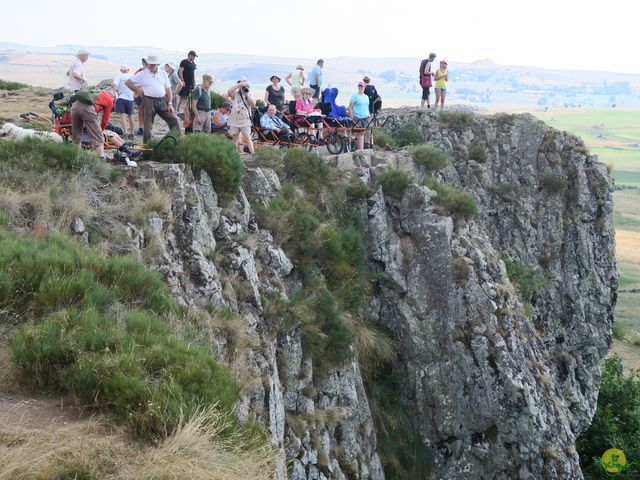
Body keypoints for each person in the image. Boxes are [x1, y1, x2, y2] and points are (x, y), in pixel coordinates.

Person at [125, 55, 180, 143]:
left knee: (174, 120)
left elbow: (168, 89)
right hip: (148, 101)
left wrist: (170, 103)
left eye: (153, 64)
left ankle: (175, 141)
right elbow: (128, 82)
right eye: (149, 64)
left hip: (162, 100)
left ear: (157, 64)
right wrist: (138, 91)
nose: (151, 66)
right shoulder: (142, 74)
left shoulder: (163, 73)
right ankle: (147, 147)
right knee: (148, 126)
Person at [70, 88, 115, 159]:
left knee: (76, 134)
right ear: (113, 97)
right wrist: (101, 131)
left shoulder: (95, 92)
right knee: (98, 138)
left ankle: (76, 157)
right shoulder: (110, 99)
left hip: (74, 107)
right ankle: (101, 159)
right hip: (87, 109)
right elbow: (105, 120)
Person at [227, 78, 256, 154]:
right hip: (235, 119)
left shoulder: (249, 93)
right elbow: (229, 92)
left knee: (247, 137)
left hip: (245, 119)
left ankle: (253, 153)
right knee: (235, 137)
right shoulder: (236, 93)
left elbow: (253, 104)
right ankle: (233, 153)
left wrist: (247, 95)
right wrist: (239, 85)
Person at [112, 64, 135, 138]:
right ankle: (132, 132)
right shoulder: (132, 76)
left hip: (121, 97)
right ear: (128, 70)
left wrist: (116, 91)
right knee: (131, 116)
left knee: (122, 115)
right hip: (130, 98)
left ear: (121, 70)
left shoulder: (119, 76)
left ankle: (125, 132)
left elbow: (114, 84)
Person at [178, 50, 198, 127]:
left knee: (189, 98)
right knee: (181, 96)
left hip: (191, 83)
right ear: (189, 55)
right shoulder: (183, 62)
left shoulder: (193, 64)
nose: (193, 58)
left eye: (194, 57)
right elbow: (180, 71)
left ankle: (186, 112)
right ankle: (177, 110)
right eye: (193, 56)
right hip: (184, 82)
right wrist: (182, 80)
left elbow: (193, 73)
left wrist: (194, 82)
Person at [348, 81, 370, 150]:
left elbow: (367, 106)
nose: (360, 87)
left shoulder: (366, 97)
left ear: (364, 87)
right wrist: (351, 114)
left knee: (361, 134)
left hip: (365, 117)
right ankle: (350, 147)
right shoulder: (355, 96)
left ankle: (361, 151)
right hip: (356, 117)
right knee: (354, 134)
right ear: (358, 87)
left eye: (362, 86)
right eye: (359, 86)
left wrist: (368, 113)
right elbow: (350, 107)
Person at [134, 58, 147, 136]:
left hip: (147, 94)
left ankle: (146, 128)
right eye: (143, 63)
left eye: (144, 63)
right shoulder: (139, 71)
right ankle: (141, 128)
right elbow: (133, 80)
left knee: (147, 112)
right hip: (139, 93)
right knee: (140, 112)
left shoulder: (150, 72)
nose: (144, 65)